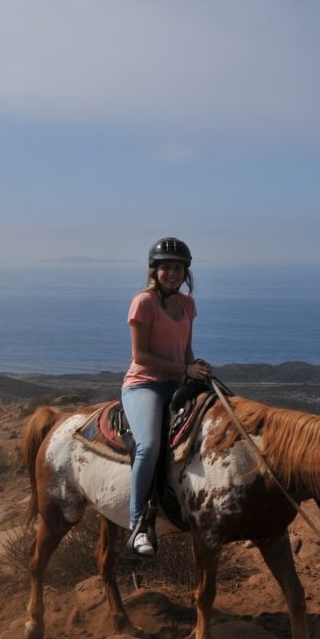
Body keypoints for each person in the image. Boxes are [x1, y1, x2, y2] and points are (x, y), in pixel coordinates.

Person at [121, 237, 213, 555]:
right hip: (143, 384)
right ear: (154, 271)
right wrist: (184, 370)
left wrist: (195, 367)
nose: (172, 273)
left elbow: (186, 351)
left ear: (185, 272)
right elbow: (141, 356)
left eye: (177, 268)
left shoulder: (188, 304)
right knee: (148, 445)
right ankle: (138, 526)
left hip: (177, 382)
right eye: (166, 268)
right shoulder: (143, 303)